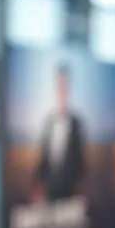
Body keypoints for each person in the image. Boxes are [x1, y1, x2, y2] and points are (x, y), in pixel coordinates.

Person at [34, 65, 87, 202]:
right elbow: (43, 158)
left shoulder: (76, 123)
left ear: (69, 87)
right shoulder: (48, 122)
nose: (62, 88)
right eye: (59, 84)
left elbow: (80, 160)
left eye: (65, 84)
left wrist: (79, 188)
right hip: (49, 192)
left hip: (71, 192)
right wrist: (39, 186)